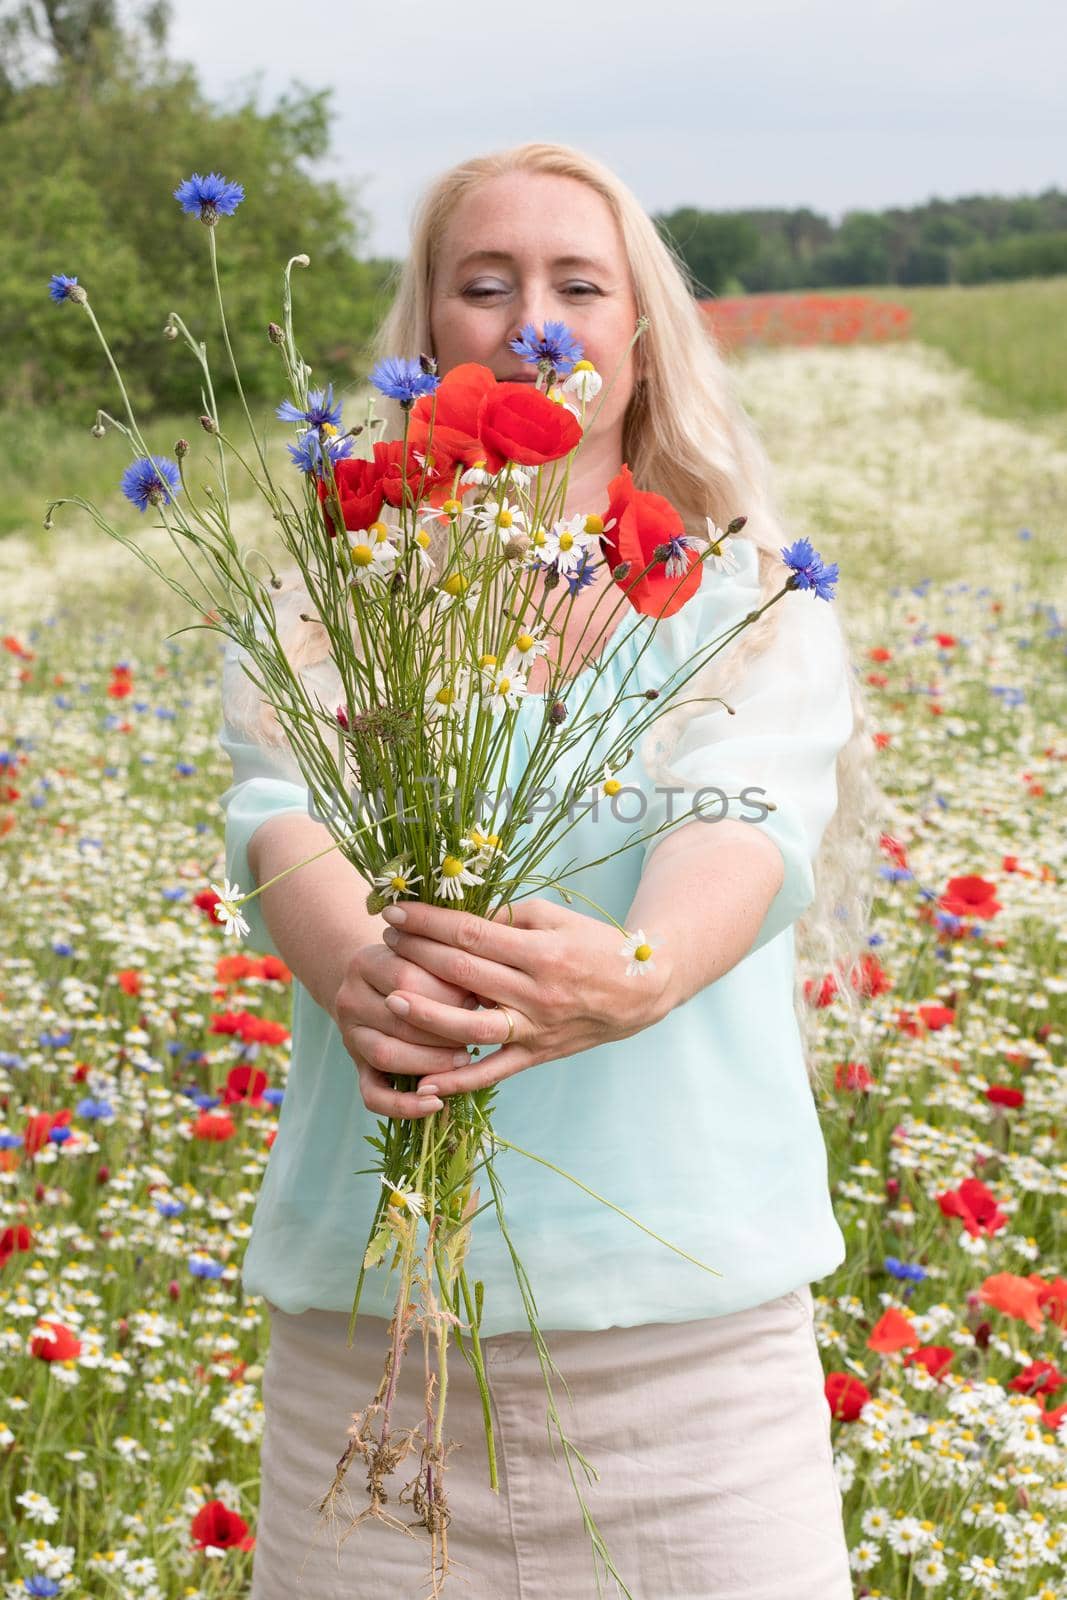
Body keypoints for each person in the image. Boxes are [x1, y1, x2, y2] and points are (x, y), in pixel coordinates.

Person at [220, 141, 877, 1599]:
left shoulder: (744, 604)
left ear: (639, 340)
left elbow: (745, 827)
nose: (537, 320)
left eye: (581, 284)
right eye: (486, 285)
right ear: (429, 339)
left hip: (687, 1373)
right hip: (376, 1364)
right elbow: (283, 817)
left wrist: (630, 977)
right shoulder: (336, 597)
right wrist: (364, 976)